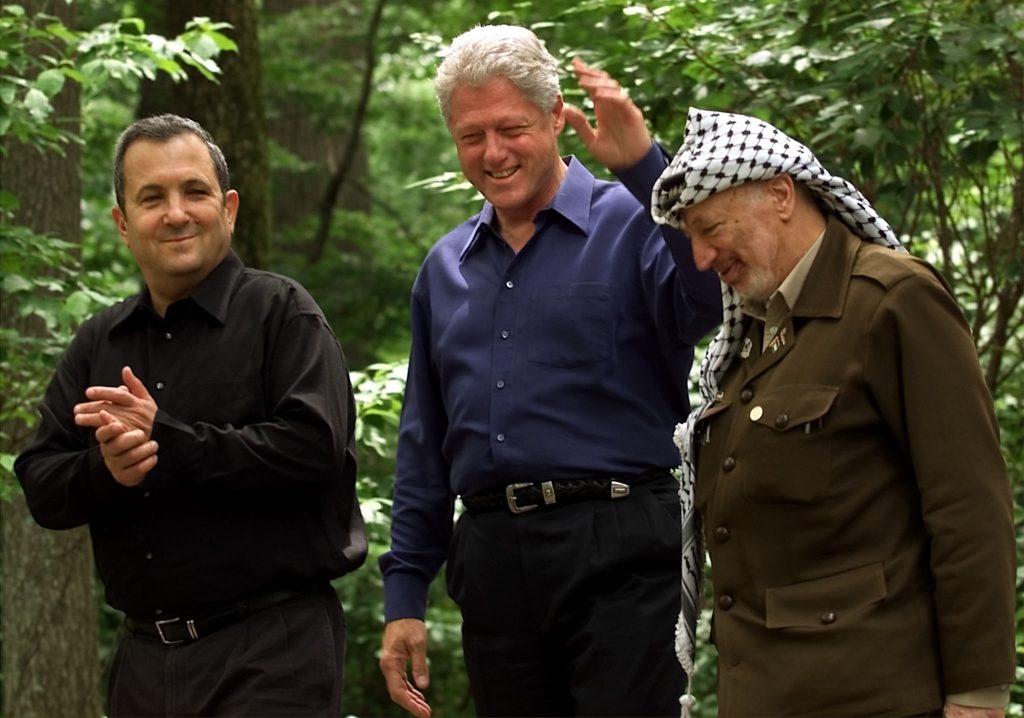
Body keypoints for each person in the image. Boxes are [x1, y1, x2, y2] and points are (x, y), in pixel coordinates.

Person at [377, 24, 722, 718]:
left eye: (511, 128)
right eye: (471, 136)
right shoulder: (444, 268)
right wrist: (405, 593)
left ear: (555, 114)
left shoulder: (635, 220)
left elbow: (714, 295)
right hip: (494, 561)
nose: (493, 153)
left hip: (621, 546)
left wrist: (645, 166)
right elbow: (425, 441)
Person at [651, 107, 1016, 717]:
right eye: (691, 236)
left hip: (877, 696)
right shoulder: (751, 337)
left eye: (710, 228)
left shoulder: (891, 301)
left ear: (781, 194)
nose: (701, 257)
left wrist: (977, 697)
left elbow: (969, 509)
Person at [14, 113, 367, 717]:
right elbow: (42, 482)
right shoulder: (99, 343)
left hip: (271, 651)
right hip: (143, 663)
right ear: (124, 224)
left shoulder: (282, 313)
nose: (176, 213)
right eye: (152, 198)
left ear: (228, 208)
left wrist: (170, 443)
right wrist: (108, 470)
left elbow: (313, 450)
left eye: (194, 192)